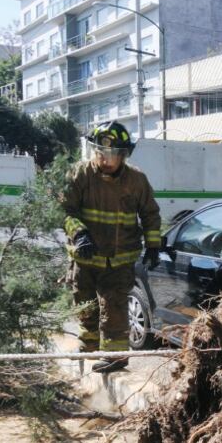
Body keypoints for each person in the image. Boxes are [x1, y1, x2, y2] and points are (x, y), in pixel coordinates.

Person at [62, 121, 161, 373]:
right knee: (85, 306)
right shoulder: (79, 175)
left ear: (123, 155)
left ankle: (115, 357)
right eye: (101, 153)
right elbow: (65, 211)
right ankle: (88, 347)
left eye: (112, 154)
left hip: (119, 261)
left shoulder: (136, 180)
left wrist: (153, 245)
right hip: (85, 257)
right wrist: (79, 233)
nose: (106, 160)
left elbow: (150, 214)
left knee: (114, 309)